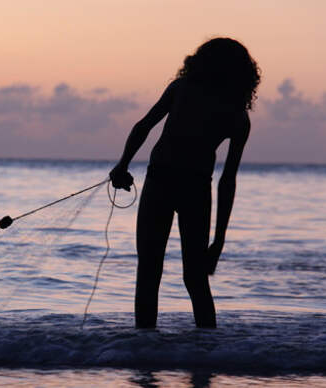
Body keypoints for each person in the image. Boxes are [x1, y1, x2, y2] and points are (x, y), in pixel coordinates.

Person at [109, 37, 260, 328]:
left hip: (162, 183)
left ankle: (145, 350)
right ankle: (205, 354)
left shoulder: (182, 90)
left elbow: (143, 126)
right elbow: (227, 182)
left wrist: (123, 164)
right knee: (195, 277)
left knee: (149, 272)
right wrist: (219, 239)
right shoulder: (237, 117)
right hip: (195, 190)